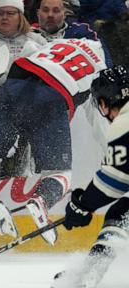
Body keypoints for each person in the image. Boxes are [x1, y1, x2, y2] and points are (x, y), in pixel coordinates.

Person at [0, 36, 108, 255]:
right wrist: (114, 148)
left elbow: (26, 50)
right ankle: (41, 201)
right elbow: (100, 117)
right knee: (60, 172)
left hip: (13, 86)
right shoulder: (100, 67)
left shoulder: (56, 44)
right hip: (51, 95)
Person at [51, 65, 129, 288]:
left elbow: (115, 181)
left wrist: (82, 206)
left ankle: (91, 272)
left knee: (122, 213)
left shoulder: (123, 124)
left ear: (104, 103)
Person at [34, 0, 113, 68]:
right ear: (38, 13)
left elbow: (105, 61)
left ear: (64, 15)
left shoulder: (83, 32)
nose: (50, 15)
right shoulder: (28, 35)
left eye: (56, 11)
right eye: (45, 10)